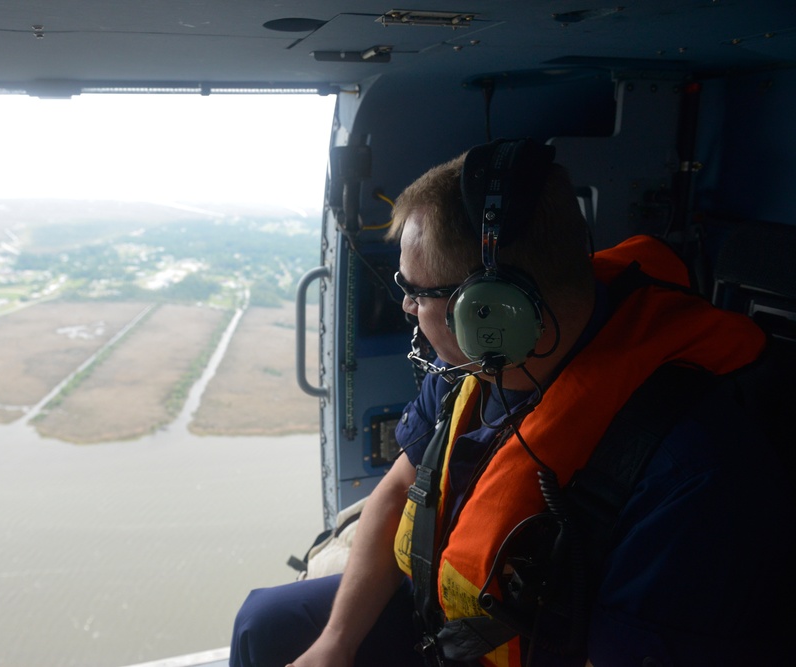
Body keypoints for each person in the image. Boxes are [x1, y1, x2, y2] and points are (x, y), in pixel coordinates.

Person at [230, 139, 791, 666]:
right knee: (266, 622)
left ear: (489, 313)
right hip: (453, 614)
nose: (404, 306)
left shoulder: (690, 470)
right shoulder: (471, 365)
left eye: (415, 290)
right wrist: (335, 644)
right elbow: (402, 487)